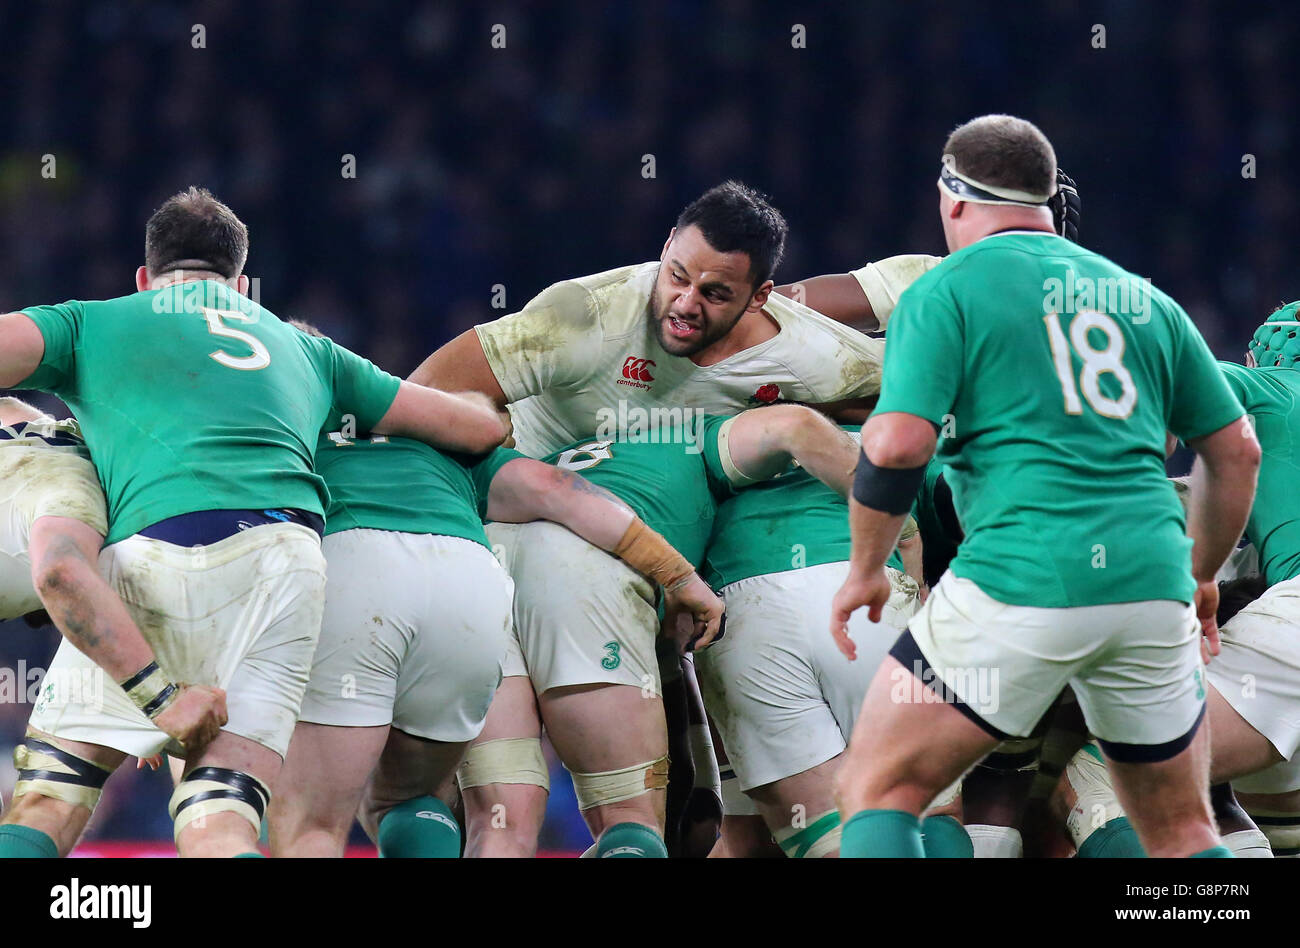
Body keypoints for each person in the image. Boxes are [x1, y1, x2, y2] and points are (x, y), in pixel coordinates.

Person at [0, 187, 508, 858]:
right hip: (290, 566)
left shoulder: (91, 322)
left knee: (53, 793)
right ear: (241, 284)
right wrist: (491, 409)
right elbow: (470, 424)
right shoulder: (308, 350)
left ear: (146, 279)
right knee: (220, 812)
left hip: (160, 550)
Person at [829, 114, 1259, 859]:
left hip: (1019, 575)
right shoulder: (1145, 299)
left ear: (951, 198)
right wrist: (1198, 574)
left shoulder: (946, 289)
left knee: (879, 788)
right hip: (1152, 589)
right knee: (1182, 832)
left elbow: (897, 442)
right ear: (1048, 200)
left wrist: (867, 569)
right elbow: (1236, 453)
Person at [269, 321, 721, 857]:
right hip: (471, 587)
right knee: (419, 795)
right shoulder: (443, 435)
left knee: (323, 821)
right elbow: (559, 491)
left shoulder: (274, 434)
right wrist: (678, 575)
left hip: (352, 574)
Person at [459, 404, 859, 858]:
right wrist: (902, 530)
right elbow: (796, 424)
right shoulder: (693, 434)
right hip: (586, 572)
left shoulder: (507, 460)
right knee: (630, 823)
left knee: (498, 824)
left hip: (475, 575)